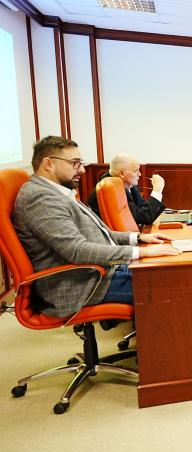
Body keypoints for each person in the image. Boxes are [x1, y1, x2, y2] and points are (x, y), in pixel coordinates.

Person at [12, 136, 181, 317]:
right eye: (75, 163)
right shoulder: (40, 198)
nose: (82, 170)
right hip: (83, 285)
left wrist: (138, 238)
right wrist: (142, 252)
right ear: (48, 164)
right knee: (178, 289)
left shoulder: (56, 192)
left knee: (174, 274)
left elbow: (101, 233)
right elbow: (78, 251)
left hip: (101, 271)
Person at [87, 153, 166, 226]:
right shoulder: (111, 189)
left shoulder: (127, 184)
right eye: (136, 171)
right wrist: (157, 191)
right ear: (122, 174)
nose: (140, 174)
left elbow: (141, 207)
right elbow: (144, 218)